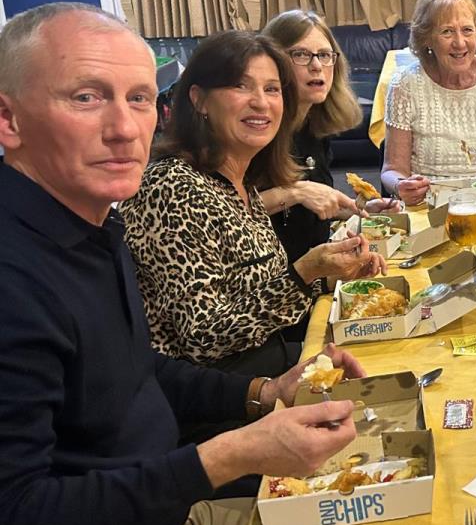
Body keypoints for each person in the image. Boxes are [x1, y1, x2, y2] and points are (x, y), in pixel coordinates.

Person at [0, 2, 364, 525]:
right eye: (86, 97)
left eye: (139, 98)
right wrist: (226, 457)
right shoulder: (16, 276)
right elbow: (17, 524)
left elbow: (138, 369)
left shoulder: (93, 225)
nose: (124, 129)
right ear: (9, 120)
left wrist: (266, 392)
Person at [119, 32, 385, 387]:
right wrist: (304, 272)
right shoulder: (171, 186)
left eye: (272, 89)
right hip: (223, 396)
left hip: (267, 366)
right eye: (241, 86)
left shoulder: (236, 183)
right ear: (199, 100)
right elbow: (203, 337)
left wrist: (331, 274)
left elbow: (256, 295)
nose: (261, 102)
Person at [260, 10, 396, 264]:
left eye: (324, 55)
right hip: (275, 280)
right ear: (273, 63)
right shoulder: (259, 131)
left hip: (316, 271)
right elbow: (228, 213)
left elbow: (315, 205)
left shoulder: (312, 128)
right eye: (301, 54)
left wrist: (358, 209)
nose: (316, 66)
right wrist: (295, 193)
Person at [381, 0, 476, 204]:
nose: (460, 43)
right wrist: (401, 185)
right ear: (427, 39)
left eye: (467, 30)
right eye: (447, 32)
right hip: (427, 207)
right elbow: (392, 170)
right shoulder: (405, 84)